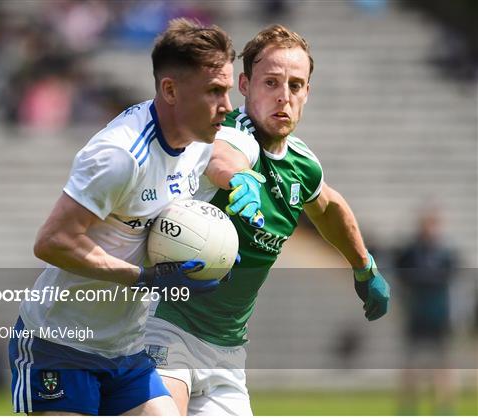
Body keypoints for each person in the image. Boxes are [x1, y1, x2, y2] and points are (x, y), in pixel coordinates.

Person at [8, 18, 264, 416]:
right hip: (59, 344)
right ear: (170, 90)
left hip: (125, 349)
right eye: (214, 91)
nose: (227, 106)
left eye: (227, 91)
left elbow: (225, 153)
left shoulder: (196, 144)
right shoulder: (120, 156)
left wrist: (236, 194)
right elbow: (51, 241)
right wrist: (144, 278)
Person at [145, 24, 391, 416]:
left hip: (226, 351)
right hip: (164, 326)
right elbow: (222, 154)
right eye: (271, 82)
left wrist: (364, 266)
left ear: (307, 92)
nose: (284, 96)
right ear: (244, 84)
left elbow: (328, 207)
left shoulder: (302, 163)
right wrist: (240, 177)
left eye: (295, 85)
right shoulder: (229, 130)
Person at [395, 207, 457, 415]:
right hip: (416, 314)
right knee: (411, 362)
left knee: (443, 363)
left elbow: (449, 278)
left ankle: (444, 405)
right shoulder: (410, 253)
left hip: (439, 314)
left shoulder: (445, 254)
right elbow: (401, 276)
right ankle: (408, 405)